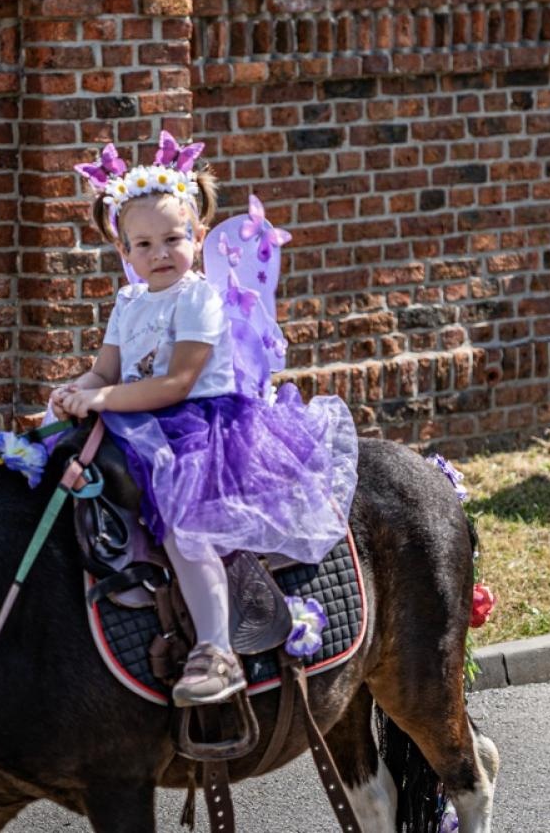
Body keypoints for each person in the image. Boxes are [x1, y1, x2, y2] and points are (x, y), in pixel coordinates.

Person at [51, 132, 357, 706]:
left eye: (172, 239)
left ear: (196, 235)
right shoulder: (129, 302)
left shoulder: (199, 298)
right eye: (142, 244)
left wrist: (103, 398)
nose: (159, 253)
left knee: (189, 529)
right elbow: (105, 369)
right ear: (124, 248)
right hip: (137, 418)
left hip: (202, 426)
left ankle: (217, 651)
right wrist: (75, 391)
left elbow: (177, 382)